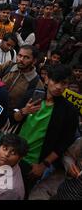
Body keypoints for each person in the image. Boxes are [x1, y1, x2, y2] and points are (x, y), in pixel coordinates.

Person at [13, 65, 79, 196]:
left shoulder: (69, 111)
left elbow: (64, 143)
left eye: (64, 83)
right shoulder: (32, 95)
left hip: (33, 165)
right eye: (56, 81)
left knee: (21, 194)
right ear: (47, 79)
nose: (59, 87)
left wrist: (44, 165)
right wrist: (24, 111)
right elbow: (13, 118)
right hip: (12, 153)